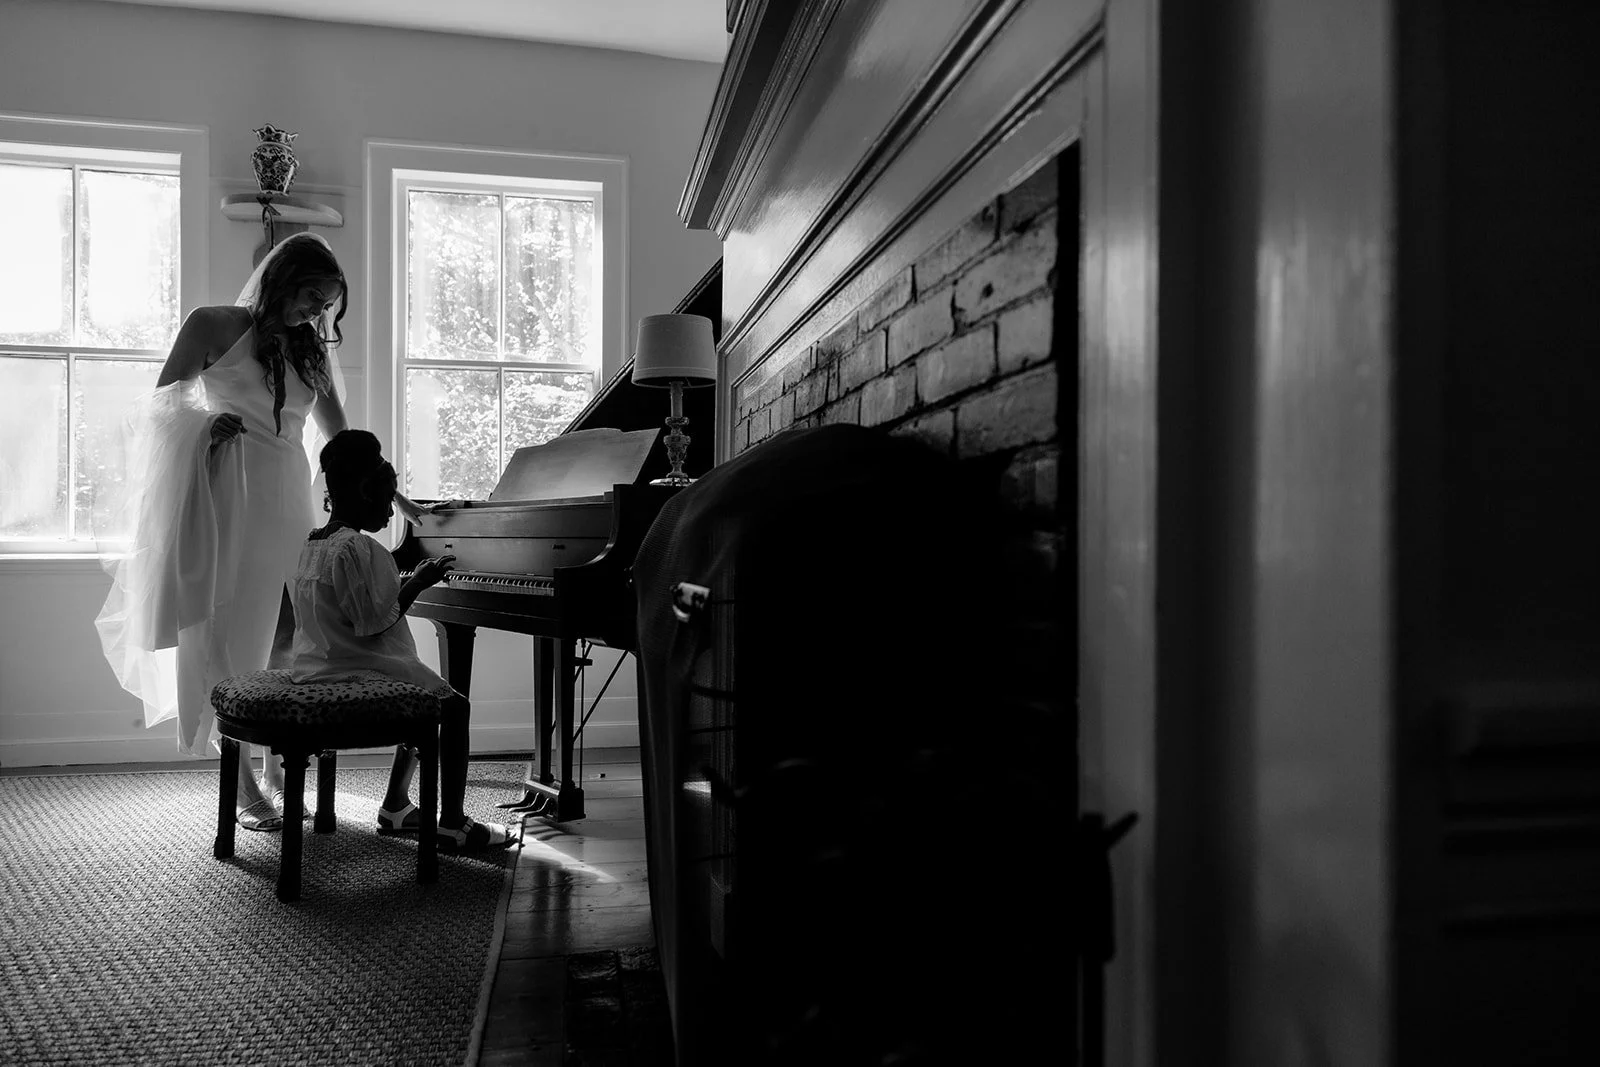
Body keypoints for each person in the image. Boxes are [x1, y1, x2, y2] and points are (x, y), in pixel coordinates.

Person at [95, 232, 431, 832]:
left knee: (294, 628)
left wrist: (394, 492)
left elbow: (341, 438)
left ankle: (280, 764)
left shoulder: (309, 350)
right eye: (311, 296)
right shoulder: (211, 324)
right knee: (229, 628)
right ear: (283, 278)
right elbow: (158, 406)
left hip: (290, 496)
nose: (316, 312)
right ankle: (243, 781)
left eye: (326, 304)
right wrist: (204, 423)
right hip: (231, 492)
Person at [288, 429, 515, 853]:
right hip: (357, 669)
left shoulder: (315, 543)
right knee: (453, 705)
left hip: (316, 665)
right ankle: (453, 823)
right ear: (364, 491)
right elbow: (376, 622)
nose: (393, 510)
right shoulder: (360, 548)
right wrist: (420, 581)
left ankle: (395, 806)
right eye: (388, 496)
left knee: (419, 684)